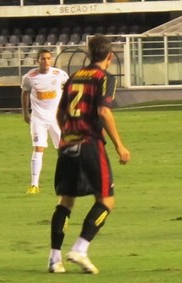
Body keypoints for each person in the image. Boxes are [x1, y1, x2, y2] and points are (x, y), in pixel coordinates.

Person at [48, 34, 131, 274]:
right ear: (110, 57)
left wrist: (68, 134)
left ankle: (54, 259)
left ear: (88, 54)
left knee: (65, 200)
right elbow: (104, 112)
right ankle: (80, 249)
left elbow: (60, 113)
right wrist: (119, 145)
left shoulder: (74, 76)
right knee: (106, 199)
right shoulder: (104, 78)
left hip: (67, 145)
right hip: (90, 144)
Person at [21, 49, 69, 194]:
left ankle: (66, 181)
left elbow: (70, 90)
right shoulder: (29, 77)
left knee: (63, 149)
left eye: (48, 58)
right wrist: (25, 112)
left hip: (56, 118)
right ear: (37, 61)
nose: (46, 61)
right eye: (43, 59)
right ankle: (34, 185)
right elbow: (25, 93)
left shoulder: (60, 74)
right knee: (38, 149)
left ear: (51, 60)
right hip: (38, 118)